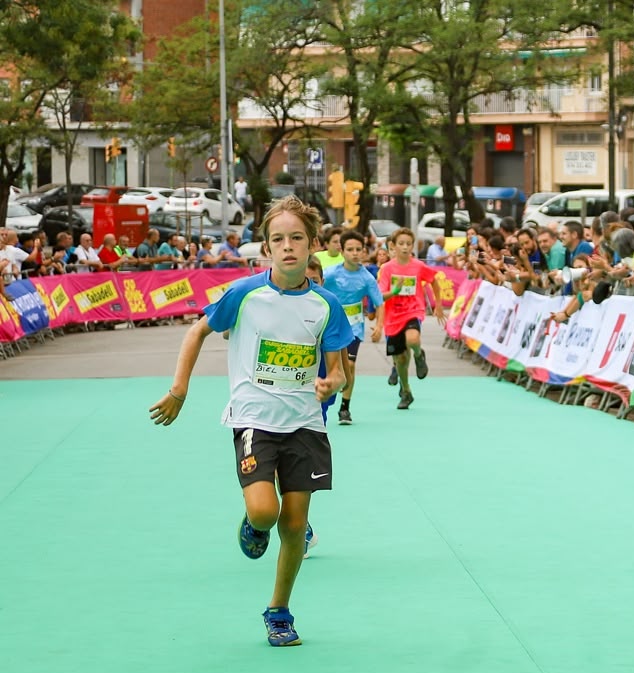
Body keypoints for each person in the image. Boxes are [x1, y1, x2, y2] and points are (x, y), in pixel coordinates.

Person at [148, 195, 352, 647]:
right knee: (265, 513)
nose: (288, 247)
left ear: (312, 243)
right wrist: (179, 389)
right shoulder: (245, 294)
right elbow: (196, 331)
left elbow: (337, 368)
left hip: (305, 425)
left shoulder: (325, 305)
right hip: (255, 421)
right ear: (266, 248)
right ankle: (252, 524)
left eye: (296, 238)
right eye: (278, 239)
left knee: (296, 525)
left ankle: (278, 610)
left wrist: (332, 384)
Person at [374, 227, 446, 409]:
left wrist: (437, 304)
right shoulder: (387, 269)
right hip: (393, 317)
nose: (405, 247)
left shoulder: (418, 266)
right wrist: (395, 291)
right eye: (401, 244)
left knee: (413, 338)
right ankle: (406, 391)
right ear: (393, 246)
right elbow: (380, 296)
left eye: (408, 244)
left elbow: (434, 281)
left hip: (413, 311)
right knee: (401, 361)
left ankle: (419, 354)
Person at [321, 229, 384, 424]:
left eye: (358, 249)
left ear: (364, 251)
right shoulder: (330, 274)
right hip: (331, 325)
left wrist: (379, 326)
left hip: (354, 327)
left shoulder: (367, 278)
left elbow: (379, 303)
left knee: (350, 364)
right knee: (328, 366)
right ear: (342, 251)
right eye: (350, 249)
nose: (355, 253)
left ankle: (345, 408)